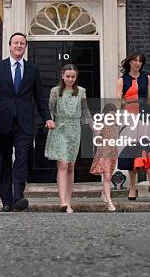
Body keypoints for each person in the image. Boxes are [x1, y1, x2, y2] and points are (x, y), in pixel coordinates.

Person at [0, 32, 55, 212]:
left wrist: (47, 117)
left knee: (22, 159)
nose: (19, 45)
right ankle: (6, 201)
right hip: (2, 120)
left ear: (25, 47)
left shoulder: (32, 69)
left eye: (22, 43)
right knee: (4, 161)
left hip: (25, 122)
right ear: (10, 45)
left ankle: (18, 197)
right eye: (16, 43)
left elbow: (39, 97)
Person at [45, 64, 93, 213]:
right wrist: (49, 120)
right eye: (68, 76)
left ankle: (69, 201)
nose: (70, 79)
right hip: (59, 128)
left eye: (73, 77)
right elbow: (50, 109)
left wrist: (94, 128)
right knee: (63, 164)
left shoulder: (81, 92)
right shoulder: (55, 91)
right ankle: (62, 201)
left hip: (74, 129)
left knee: (71, 166)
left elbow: (85, 112)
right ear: (62, 76)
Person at [115, 52, 150, 200]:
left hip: (146, 117)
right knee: (131, 152)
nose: (137, 63)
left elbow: (148, 98)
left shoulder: (147, 77)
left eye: (140, 61)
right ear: (129, 62)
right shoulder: (122, 80)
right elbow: (117, 102)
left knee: (149, 150)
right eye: (135, 60)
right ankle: (132, 187)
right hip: (129, 118)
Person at [90, 103, 119, 212]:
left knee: (109, 176)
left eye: (114, 115)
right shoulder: (101, 125)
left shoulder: (116, 126)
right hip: (104, 154)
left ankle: (104, 193)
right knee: (107, 177)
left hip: (113, 153)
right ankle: (109, 202)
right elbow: (97, 138)